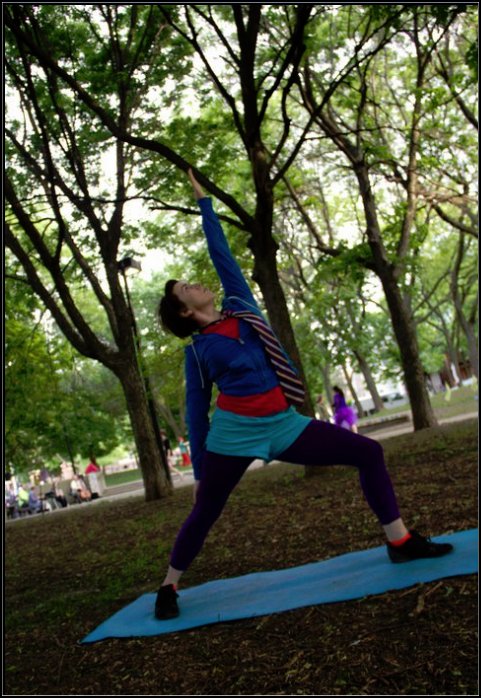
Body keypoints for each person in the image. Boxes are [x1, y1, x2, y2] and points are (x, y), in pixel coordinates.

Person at [154, 167, 453, 620]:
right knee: (206, 510)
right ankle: (169, 587)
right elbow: (198, 413)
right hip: (233, 434)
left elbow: (223, 260)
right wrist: (199, 470)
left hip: (284, 423)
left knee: (368, 452)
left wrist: (205, 205)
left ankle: (400, 541)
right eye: (186, 288)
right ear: (185, 309)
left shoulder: (241, 308)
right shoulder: (197, 352)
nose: (196, 284)